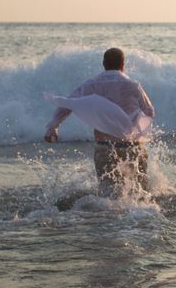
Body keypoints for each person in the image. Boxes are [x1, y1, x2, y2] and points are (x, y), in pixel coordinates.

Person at [44, 48, 155, 196]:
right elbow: (149, 112)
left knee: (107, 196)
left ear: (104, 63)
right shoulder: (133, 86)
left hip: (105, 147)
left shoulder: (92, 84)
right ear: (123, 64)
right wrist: (135, 125)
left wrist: (53, 128)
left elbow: (67, 104)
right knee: (141, 193)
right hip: (133, 147)